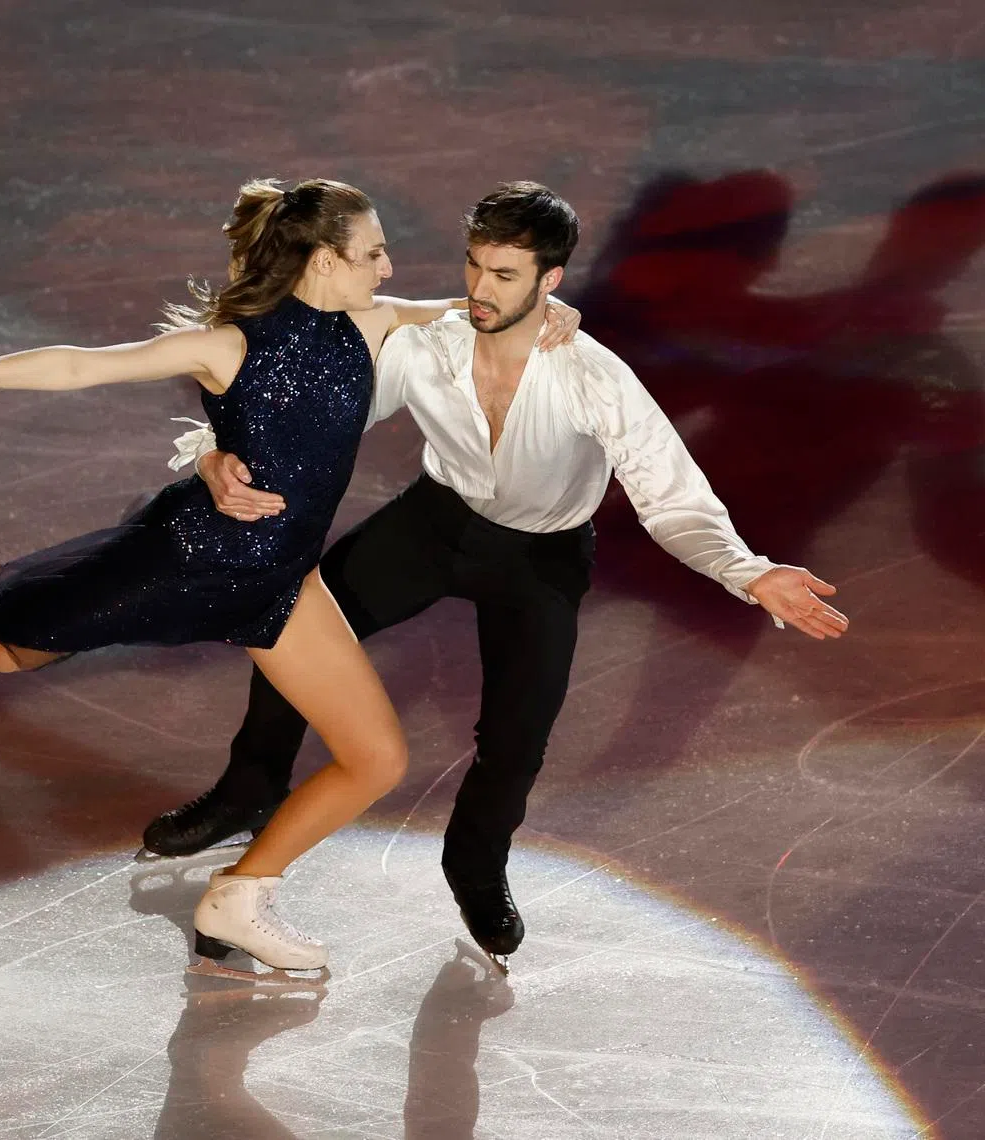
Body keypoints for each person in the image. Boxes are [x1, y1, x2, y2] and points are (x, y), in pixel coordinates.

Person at [0, 176, 578, 975]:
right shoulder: (229, 344)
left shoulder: (371, 325)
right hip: (190, 560)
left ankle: (237, 898)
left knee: (376, 759)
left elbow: (469, 311)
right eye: (372, 254)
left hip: (279, 584)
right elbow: (78, 367)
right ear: (324, 260)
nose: (388, 267)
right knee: (6, 643)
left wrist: (551, 308)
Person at [144, 181, 850, 971]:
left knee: (516, 739)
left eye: (505, 275)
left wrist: (748, 573)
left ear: (551, 279)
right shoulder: (427, 347)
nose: (480, 288)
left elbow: (671, 494)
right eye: (475, 266)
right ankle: (249, 787)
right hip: (433, 524)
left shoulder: (593, 376)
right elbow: (299, 415)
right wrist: (212, 457)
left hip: (541, 558)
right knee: (293, 628)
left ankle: (474, 861)